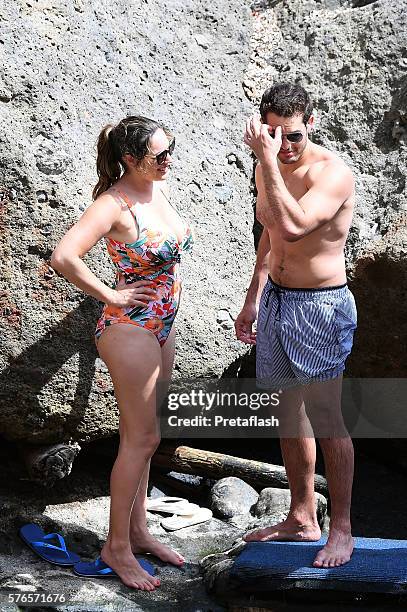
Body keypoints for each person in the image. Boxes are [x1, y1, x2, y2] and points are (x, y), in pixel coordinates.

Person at [51, 115, 193, 590]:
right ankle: (116, 548)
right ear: (131, 159)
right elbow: (65, 255)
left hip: (163, 322)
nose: (169, 158)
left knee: (150, 432)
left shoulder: (156, 187)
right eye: (160, 153)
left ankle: (138, 530)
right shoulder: (112, 204)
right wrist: (109, 295)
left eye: (171, 147)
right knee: (142, 438)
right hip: (129, 327)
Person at [235, 83, 357, 568]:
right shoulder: (270, 162)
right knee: (287, 413)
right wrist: (253, 298)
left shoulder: (332, 173)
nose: (284, 146)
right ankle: (302, 516)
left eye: (293, 137)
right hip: (279, 301)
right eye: (272, 135)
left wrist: (267, 161)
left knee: (327, 419)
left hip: (320, 306)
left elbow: (293, 225)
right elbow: (269, 233)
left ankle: (342, 528)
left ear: (312, 123)